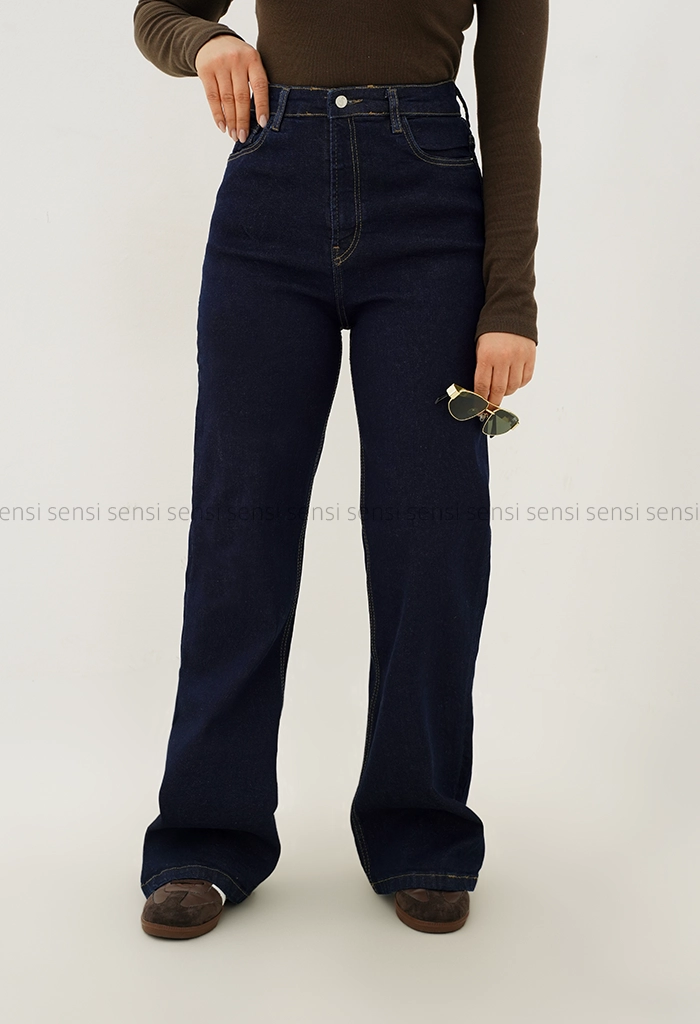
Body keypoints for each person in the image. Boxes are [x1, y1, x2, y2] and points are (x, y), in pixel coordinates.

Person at [133, 0, 548, 938]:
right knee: (240, 528)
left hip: (432, 210)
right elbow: (160, 14)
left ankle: (421, 831)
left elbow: (512, 118)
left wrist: (509, 302)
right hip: (267, 199)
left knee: (432, 538)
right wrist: (210, 39)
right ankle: (206, 836)